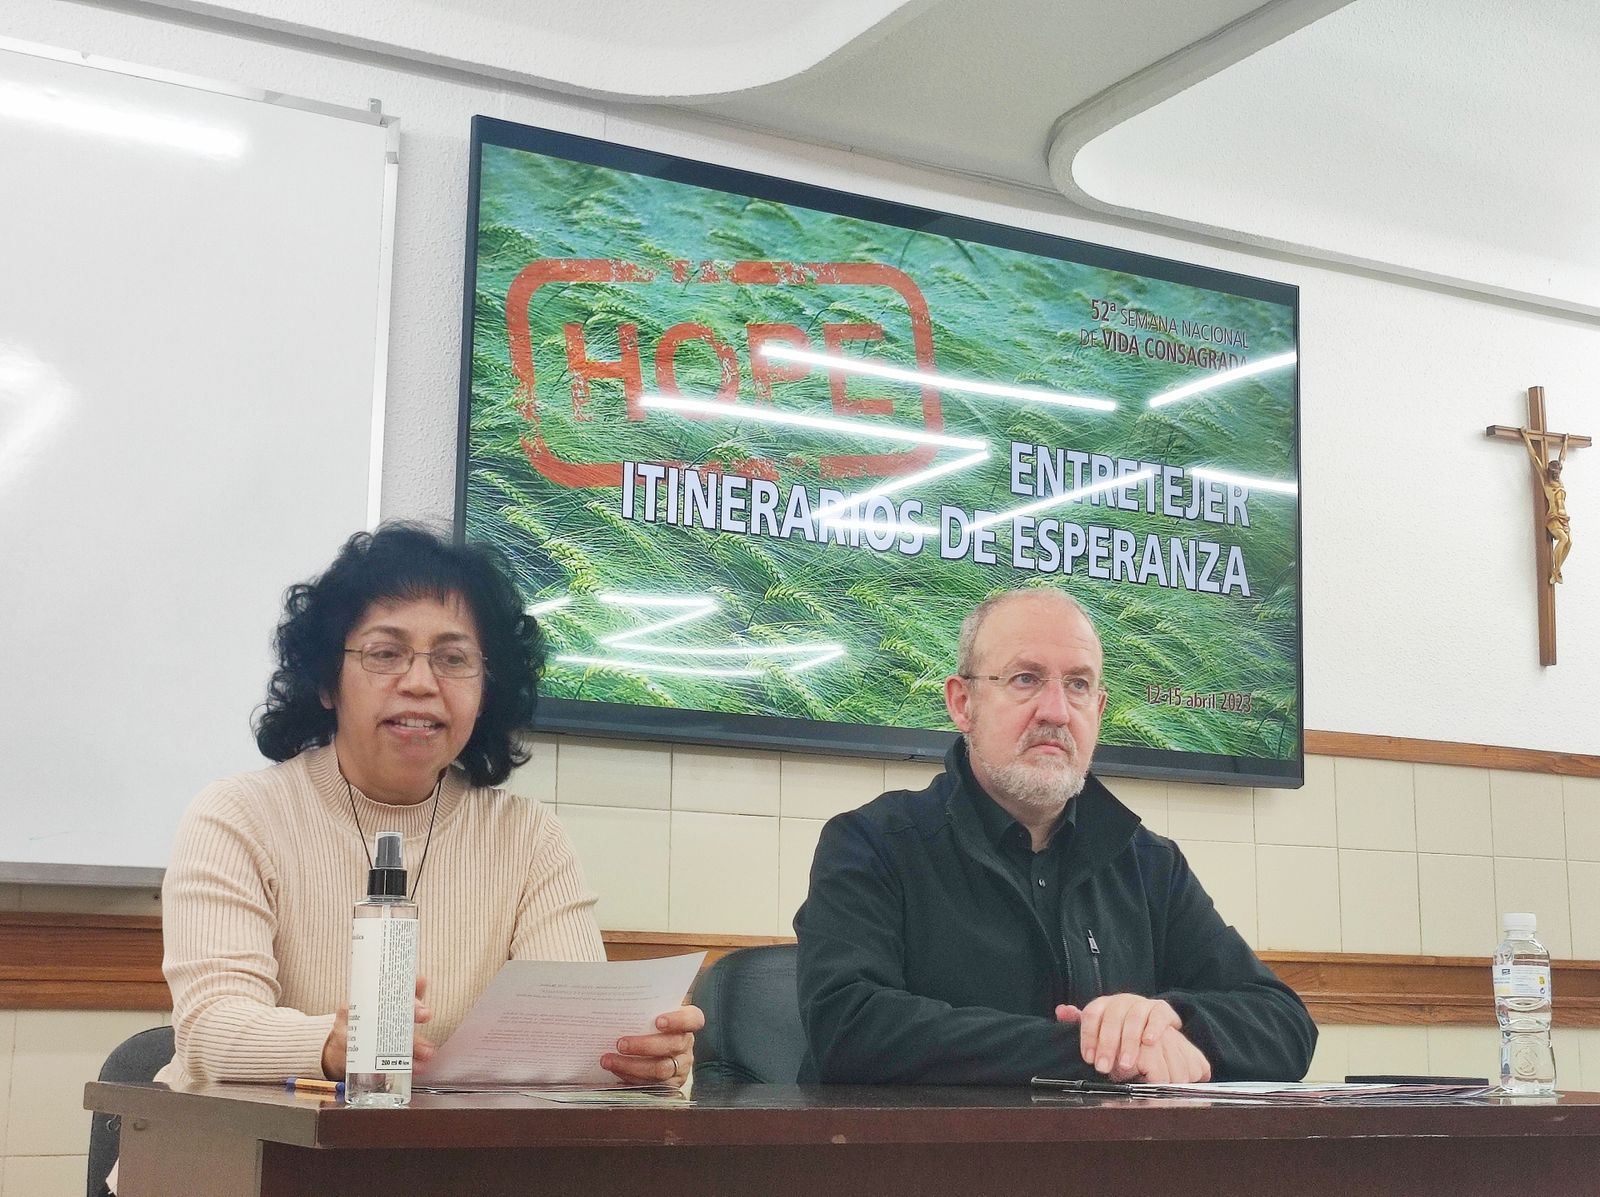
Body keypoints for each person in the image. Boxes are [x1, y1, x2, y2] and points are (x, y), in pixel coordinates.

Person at [156, 524, 702, 1091]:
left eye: (452, 658)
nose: (420, 683)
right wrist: (333, 1045)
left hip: (439, 1165)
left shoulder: (527, 836)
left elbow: (570, 1045)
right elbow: (207, 1031)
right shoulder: (237, 816)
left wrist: (638, 1062)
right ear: (326, 681)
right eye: (385, 653)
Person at [794, 587, 1316, 1084]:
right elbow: (848, 1027)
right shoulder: (871, 844)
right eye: (1025, 679)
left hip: (1116, 1173)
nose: (1056, 711)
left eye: (1079, 685)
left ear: (1099, 710)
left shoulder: (1151, 864)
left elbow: (1286, 1026)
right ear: (962, 703)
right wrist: (1100, 1052)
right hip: (928, 1171)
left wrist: (1166, 1019)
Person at [1521, 429, 1572, 585]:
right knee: (1563, 539)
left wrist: (1566, 441)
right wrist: (1526, 436)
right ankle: (1556, 570)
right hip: (1553, 517)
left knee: (1569, 543)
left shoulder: (1560, 481)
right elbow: (1534, 457)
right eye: (1554, 473)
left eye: (1558, 473)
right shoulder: (1546, 480)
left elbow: (1562, 457)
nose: (1557, 475)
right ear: (1550, 472)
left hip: (1564, 518)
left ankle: (1557, 571)